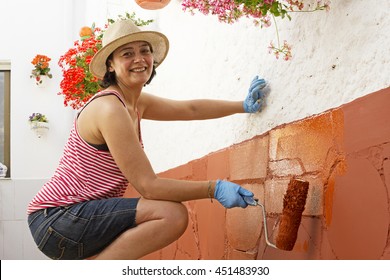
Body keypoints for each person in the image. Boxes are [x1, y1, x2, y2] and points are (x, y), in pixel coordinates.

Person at [27, 19, 269, 260]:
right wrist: (213, 188)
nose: (139, 59)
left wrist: (243, 106)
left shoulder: (135, 102)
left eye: (145, 51)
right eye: (127, 53)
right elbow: (149, 186)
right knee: (171, 214)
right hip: (58, 219)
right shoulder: (110, 108)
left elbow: (191, 109)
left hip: (75, 218)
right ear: (110, 65)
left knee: (166, 212)